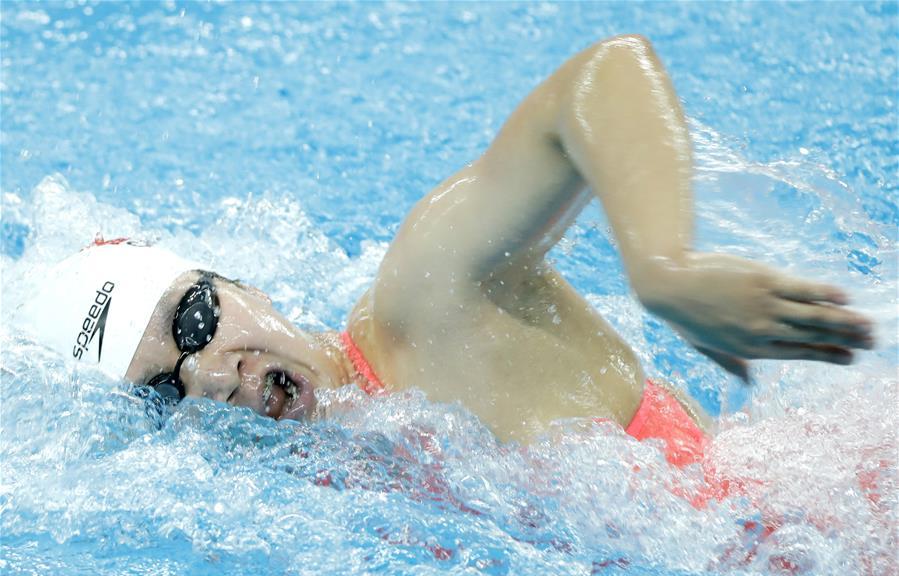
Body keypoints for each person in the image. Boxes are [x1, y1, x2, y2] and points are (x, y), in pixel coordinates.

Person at [19, 35, 874, 459]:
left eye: (196, 317)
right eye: (167, 390)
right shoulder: (330, 481)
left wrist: (663, 269)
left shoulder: (426, 302)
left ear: (242, 283)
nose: (208, 375)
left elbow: (604, 75)